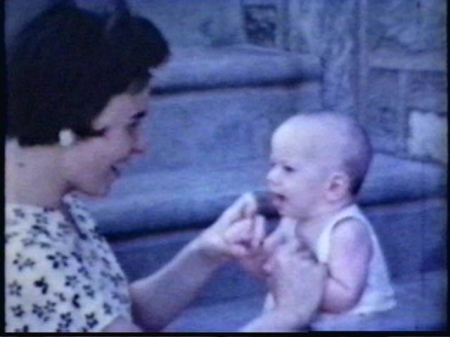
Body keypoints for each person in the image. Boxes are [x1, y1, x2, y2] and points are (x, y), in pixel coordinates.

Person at [5, 3, 326, 332]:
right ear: (67, 125)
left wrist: (206, 251)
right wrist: (287, 315)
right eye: (131, 124)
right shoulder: (19, 254)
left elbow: (117, 314)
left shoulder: (52, 202)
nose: (141, 145)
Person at [236, 112, 396, 328]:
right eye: (272, 166)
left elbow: (345, 298)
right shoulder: (291, 220)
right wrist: (252, 254)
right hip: (301, 318)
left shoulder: (347, 231)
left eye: (288, 169)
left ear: (334, 187)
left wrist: (295, 283)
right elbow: (269, 270)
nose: (271, 177)